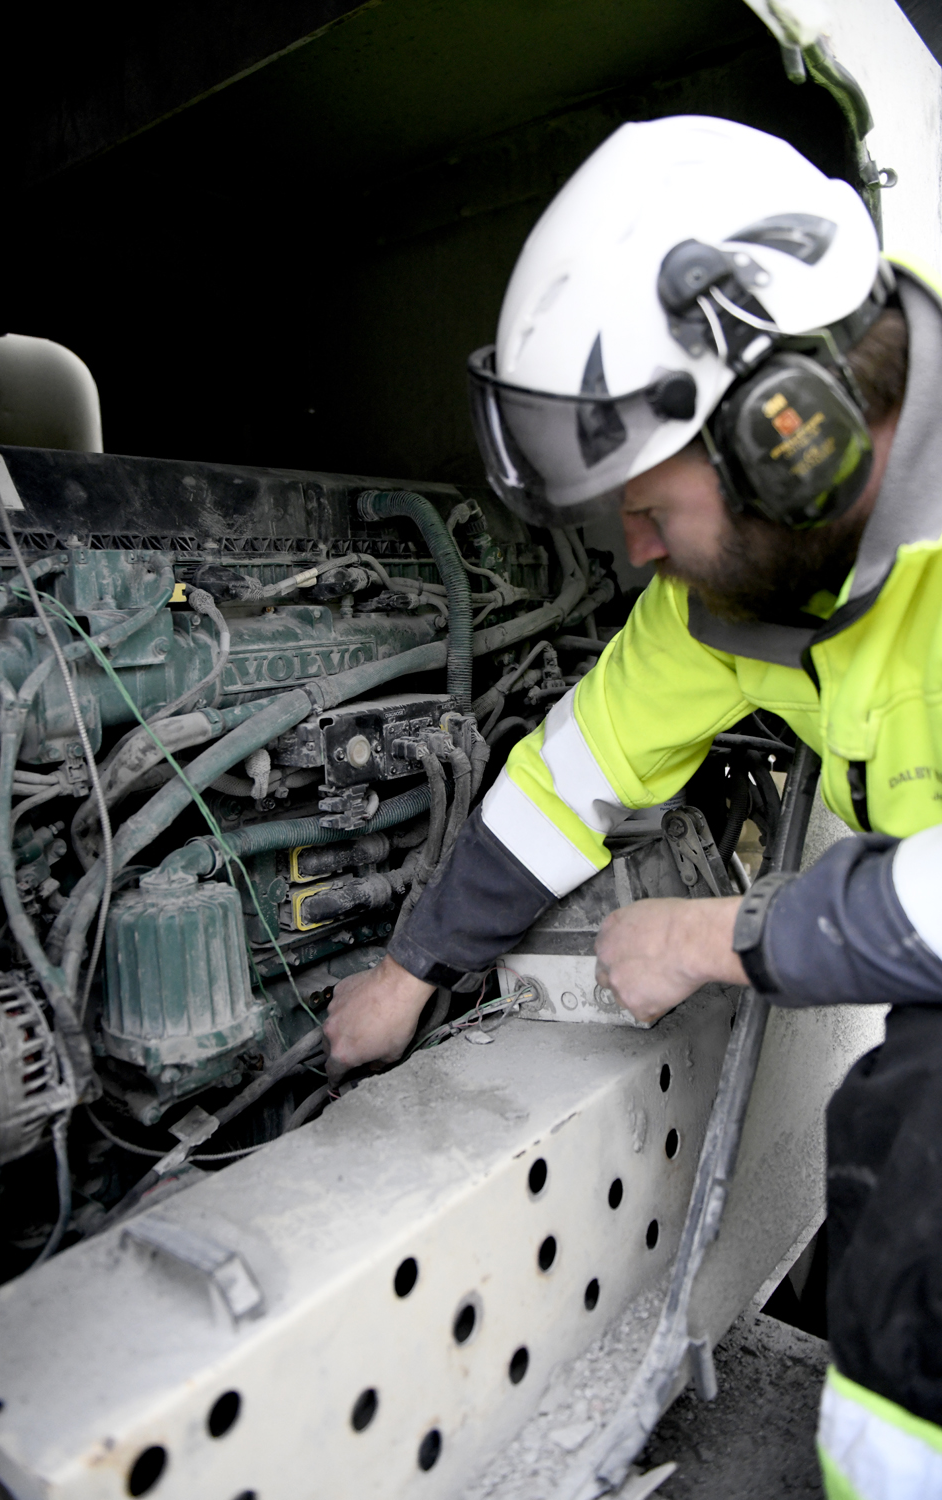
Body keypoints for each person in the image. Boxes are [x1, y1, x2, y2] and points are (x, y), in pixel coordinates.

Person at [324, 115, 942, 1497]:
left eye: (651, 508)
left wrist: (724, 932)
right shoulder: (730, 602)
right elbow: (573, 775)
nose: (637, 552)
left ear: (793, 439)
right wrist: (415, 967)